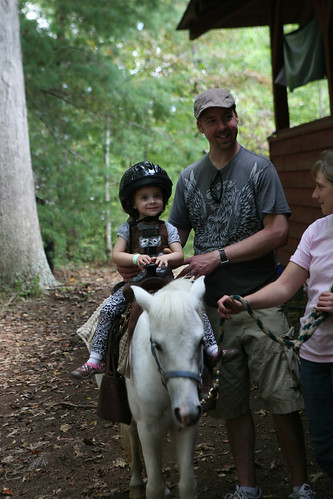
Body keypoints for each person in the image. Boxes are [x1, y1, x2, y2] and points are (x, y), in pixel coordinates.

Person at [168, 88, 314, 499]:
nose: (222, 127)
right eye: (211, 121)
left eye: (227, 117)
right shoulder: (188, 178)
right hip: (214, 311)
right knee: (230, 402)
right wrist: (151, 253)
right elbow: (176, 238)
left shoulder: (259, 169)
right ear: (200, 127)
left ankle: (301, 486)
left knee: (282, 397)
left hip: (261, 299)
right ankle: (247, 488)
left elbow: (278, 232)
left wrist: (217, 256)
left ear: (237, 117)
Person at [218, 149, 333, 482]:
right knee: (325, 447)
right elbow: (284, 287)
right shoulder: (315, 232)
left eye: (321, 186)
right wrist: (245, 302)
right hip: (314, 359)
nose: (314, 194)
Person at [71, 161, 218, 380]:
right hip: (136, 283)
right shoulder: (127, 229)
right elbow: (117, 255)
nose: (152, 201)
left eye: (156, 196)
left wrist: (165, 258)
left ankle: (212, 349)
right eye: (145, 197)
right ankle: (96, 358)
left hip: (165, 283)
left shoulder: (168, 228)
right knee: (110, 309)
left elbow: (178, 254)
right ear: (133, 202)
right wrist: (136, 258)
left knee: (194, 303)